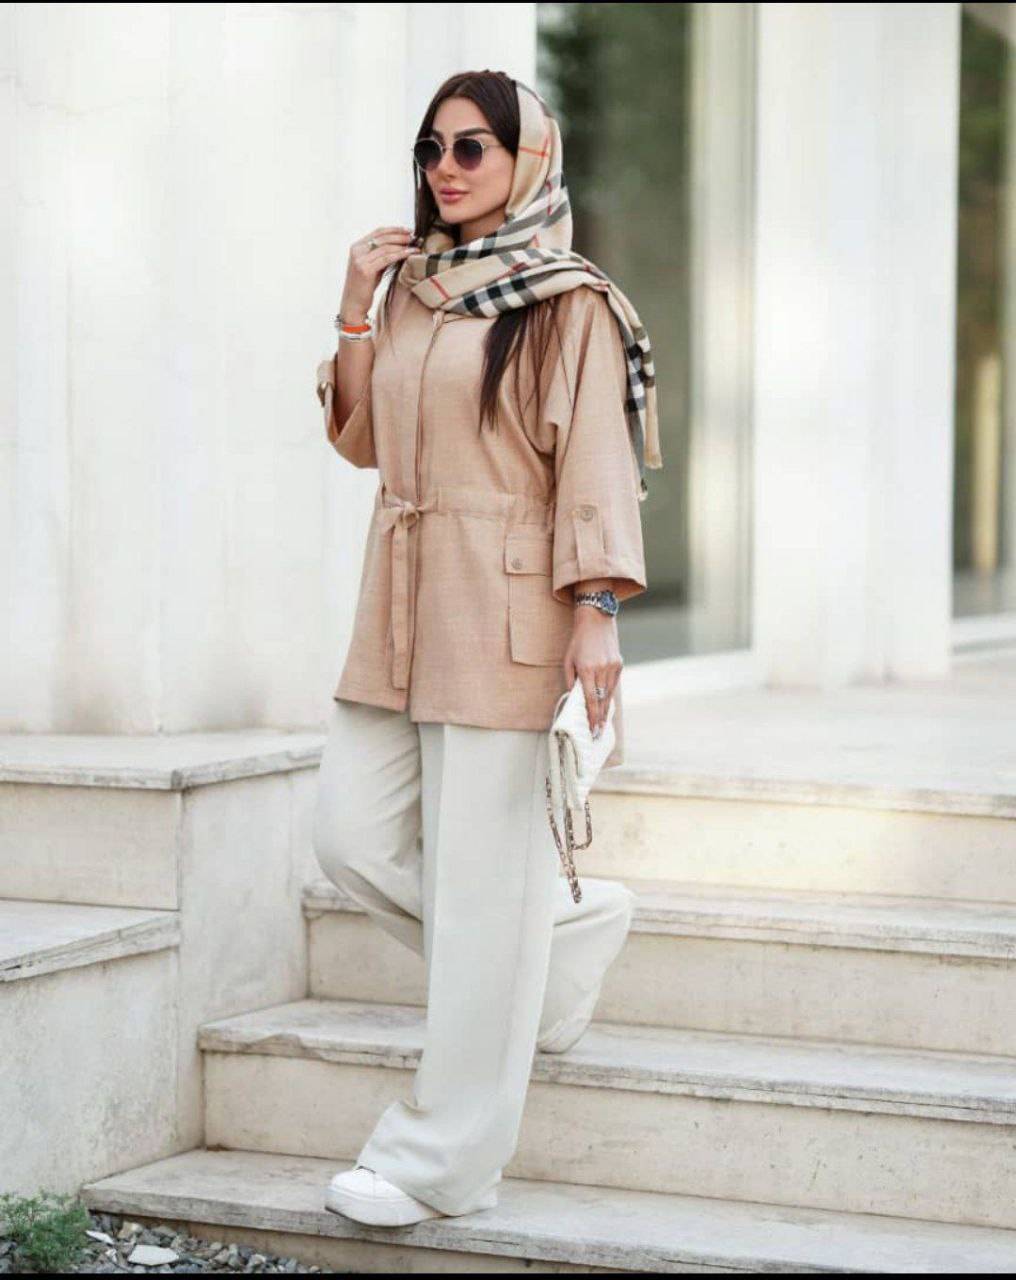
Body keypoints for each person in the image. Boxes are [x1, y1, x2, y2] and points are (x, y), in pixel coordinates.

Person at [312, 69, 662, 1228]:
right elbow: (364, 439)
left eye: (472, 147)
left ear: (528, 158)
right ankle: (557, 948)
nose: (446, 168)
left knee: (477, 894)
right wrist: (355, 308)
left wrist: (595, 607)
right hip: (403, 602)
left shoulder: (569, 301)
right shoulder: (414, 288)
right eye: (432, 148)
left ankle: (438, 1160)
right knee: (350, 836)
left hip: (510, 609)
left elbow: (595, 462)